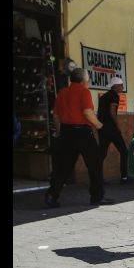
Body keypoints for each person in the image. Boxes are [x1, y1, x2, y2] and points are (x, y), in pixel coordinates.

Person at [45, 68, 113, 208]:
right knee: (94, 165)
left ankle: (52, 195)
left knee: (63, 166)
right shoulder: (84, 91)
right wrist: (100, 126)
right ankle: (96, 197)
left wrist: (59, 133)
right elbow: (87, 113)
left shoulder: (62, 93)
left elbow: (56, 116)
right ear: (84, 80)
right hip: (82, 132)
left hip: (66, 132)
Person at [97, 77, 128, 184]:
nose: (122, 87)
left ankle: (98, 178)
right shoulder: (114, 95)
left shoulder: (104, 96)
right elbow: (112, 111)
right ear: (115, 86)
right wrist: (117, 125)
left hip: (102, 129)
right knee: (124, 151)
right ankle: (124, 177)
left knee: (101, 154)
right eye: (121, 85)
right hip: (111, 129)